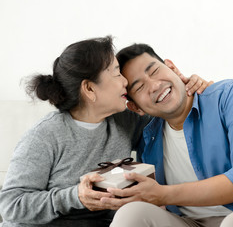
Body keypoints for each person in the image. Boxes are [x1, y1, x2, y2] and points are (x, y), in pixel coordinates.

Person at [0, 37, 209, 227]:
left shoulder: (126, 120)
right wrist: (75, 197)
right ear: (90, 89)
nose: (126, 81)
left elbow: (171, 114)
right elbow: (10, 205)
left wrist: (194, 89)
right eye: (117, 73)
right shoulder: (45, 136)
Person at [100, 43, 233, 227]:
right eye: (139, 87)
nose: (155, 85)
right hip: (190, 222)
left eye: (155, 71)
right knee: (131, 215)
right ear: (136, 108)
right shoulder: (148, 136)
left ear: (172, 67)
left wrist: (163, 193)